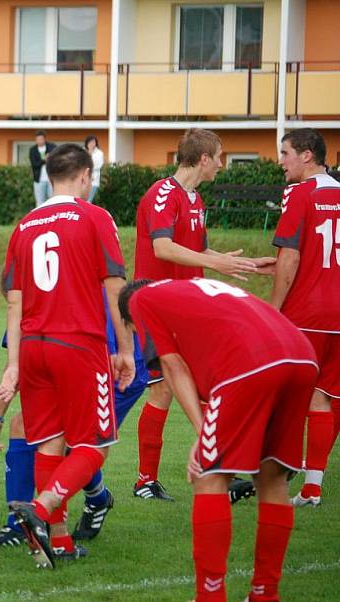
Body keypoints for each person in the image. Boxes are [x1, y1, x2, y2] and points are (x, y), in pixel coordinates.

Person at [120, 277, 318, 602]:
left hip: (250, 361)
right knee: (272, 480)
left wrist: (202, 433)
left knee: (210, 475)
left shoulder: (141, 300)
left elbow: (173, 365)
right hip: (301, 355)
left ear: (128, 318)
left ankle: (209, 596)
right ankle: (265, 593)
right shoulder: (194, 287)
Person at [0, 143, 135, 568]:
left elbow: (13, 302)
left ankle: (54, 545)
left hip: (34, 346)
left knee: (50, 444)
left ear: (50, 176)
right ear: (86, 177)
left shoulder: (25, 225)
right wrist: (125, 349)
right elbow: (115, 288)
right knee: (94, 443)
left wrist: (14, 364)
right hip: (77, 343)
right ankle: (40, 510)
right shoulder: (95, 217)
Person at [131, 128, 273, 502]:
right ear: (204, 158)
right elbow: (163, 247)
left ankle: (217, 468)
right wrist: (220, 264)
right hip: (157, 307)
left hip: (189, 309)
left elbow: (203, 253)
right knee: (162, 390)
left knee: (209, 389)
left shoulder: (196, 200)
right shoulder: (163, 193)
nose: (223, 165)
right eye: (220, 157)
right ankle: (146, 480)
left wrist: (247, 265)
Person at [0, 294, 149, 547]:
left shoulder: (82, 294)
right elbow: (16, 361)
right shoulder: (29, 298)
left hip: (116, 371)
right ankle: (18, 525)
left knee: (75, 442)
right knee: (25, 427)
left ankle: (89, 501)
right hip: (66, 364)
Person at [271, 128, 340, 507]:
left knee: (284, 394)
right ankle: (312, 486)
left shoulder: (300, 193)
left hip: (307, 314)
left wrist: (274, 309)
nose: (282, 161)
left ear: (308, 155)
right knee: (324, 398)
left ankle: (269, 472)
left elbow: (292, 257)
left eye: (286, 153)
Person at [28, 130, 56, 207]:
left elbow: (56, 159)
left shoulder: (52, 147)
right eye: (38, 139)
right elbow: (34, 164)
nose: (39, 141)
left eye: (41, 139)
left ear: (44, 139)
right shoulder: (33, 150)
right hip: (39, 180)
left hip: (51, 179)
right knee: (40, 202)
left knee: (52, 200)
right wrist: (44, 160)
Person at [84, 135, 104, 203]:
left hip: (94, 180)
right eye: (90, 142)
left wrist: (88, 166)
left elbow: (99, 165)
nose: (92, 144)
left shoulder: (99, 153)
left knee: (89, 200)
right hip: (83, 179)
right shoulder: (83, 152)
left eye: (93, 142)